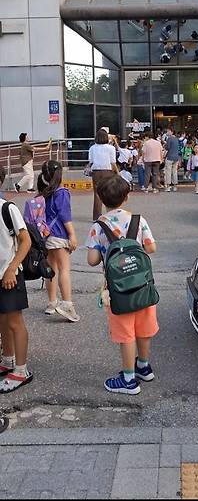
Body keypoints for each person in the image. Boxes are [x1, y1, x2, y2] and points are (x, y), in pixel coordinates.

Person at [84, 175, 158, 395]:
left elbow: (92, 260)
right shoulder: (138, 220)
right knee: (144, 329)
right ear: (126, 197)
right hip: (143, 285)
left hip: (117, 290)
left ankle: (128, 380)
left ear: (101, 198)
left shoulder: (98, 227)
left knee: (126, 334)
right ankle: (143, 367)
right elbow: (151, 248)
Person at [0, 165, 33, 393]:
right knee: (2, 320)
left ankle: (21, 371)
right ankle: (8, 359)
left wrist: (12, 268)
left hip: (10, 273)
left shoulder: (6, 208)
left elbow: (26, 240)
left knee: (14, 322)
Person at [35, 161, 80, 322]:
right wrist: (72, 235)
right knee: (64, 269)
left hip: (46, 236)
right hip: (59, 235)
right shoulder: (62, 193)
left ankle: (52, 303)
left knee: (51, 270)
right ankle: (67, 304)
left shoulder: (42, 193)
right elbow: (65, 216)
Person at [89, 129, 118, 221]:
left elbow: (91, 161)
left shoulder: (92, 148)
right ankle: (111, 214)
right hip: (107, 171)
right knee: (109, 193)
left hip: (96, 172)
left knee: (97, 194)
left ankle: (96, 216)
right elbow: (113, 163)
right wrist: (117, 173)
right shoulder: (111, 148)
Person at [163, 128, 181, 192]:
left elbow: (167, 148)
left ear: (172, 132)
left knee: (168, 172)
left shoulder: (169, 139)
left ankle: (168, 186)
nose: (167, 132)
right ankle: (175, 186)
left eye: (168, 131)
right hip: (176, 157)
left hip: (170, 157)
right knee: (174, 172)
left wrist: (163, 156)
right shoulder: (177, 139)